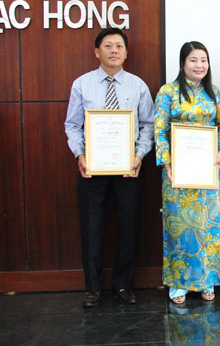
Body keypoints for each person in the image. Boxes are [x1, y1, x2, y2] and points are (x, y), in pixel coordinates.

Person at [65, 27, 154, 307]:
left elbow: (148, 125)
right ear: (97, 51)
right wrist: (80, 154)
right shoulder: (82, 84)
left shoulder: (138, 86)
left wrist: (139, 155)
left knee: (128, 225)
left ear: (126, 53)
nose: (114, 50)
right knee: (91, 227)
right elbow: (72, 125)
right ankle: (92, 288)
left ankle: (123, 284)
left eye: (119, 46)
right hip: (92, 167)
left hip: (129, 167)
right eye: (108, 45)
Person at [154, 41, 220, 304]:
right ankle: (179, 283)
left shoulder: (214, 93)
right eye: (193, 60)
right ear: (183, 63)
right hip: (178, 172)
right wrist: (167, 163)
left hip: (209, 171)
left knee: (209, 226)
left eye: (203, 60)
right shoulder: (168, 92)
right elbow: (160, 130)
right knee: (181, 228)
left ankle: (208, 280)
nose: (199, 65)